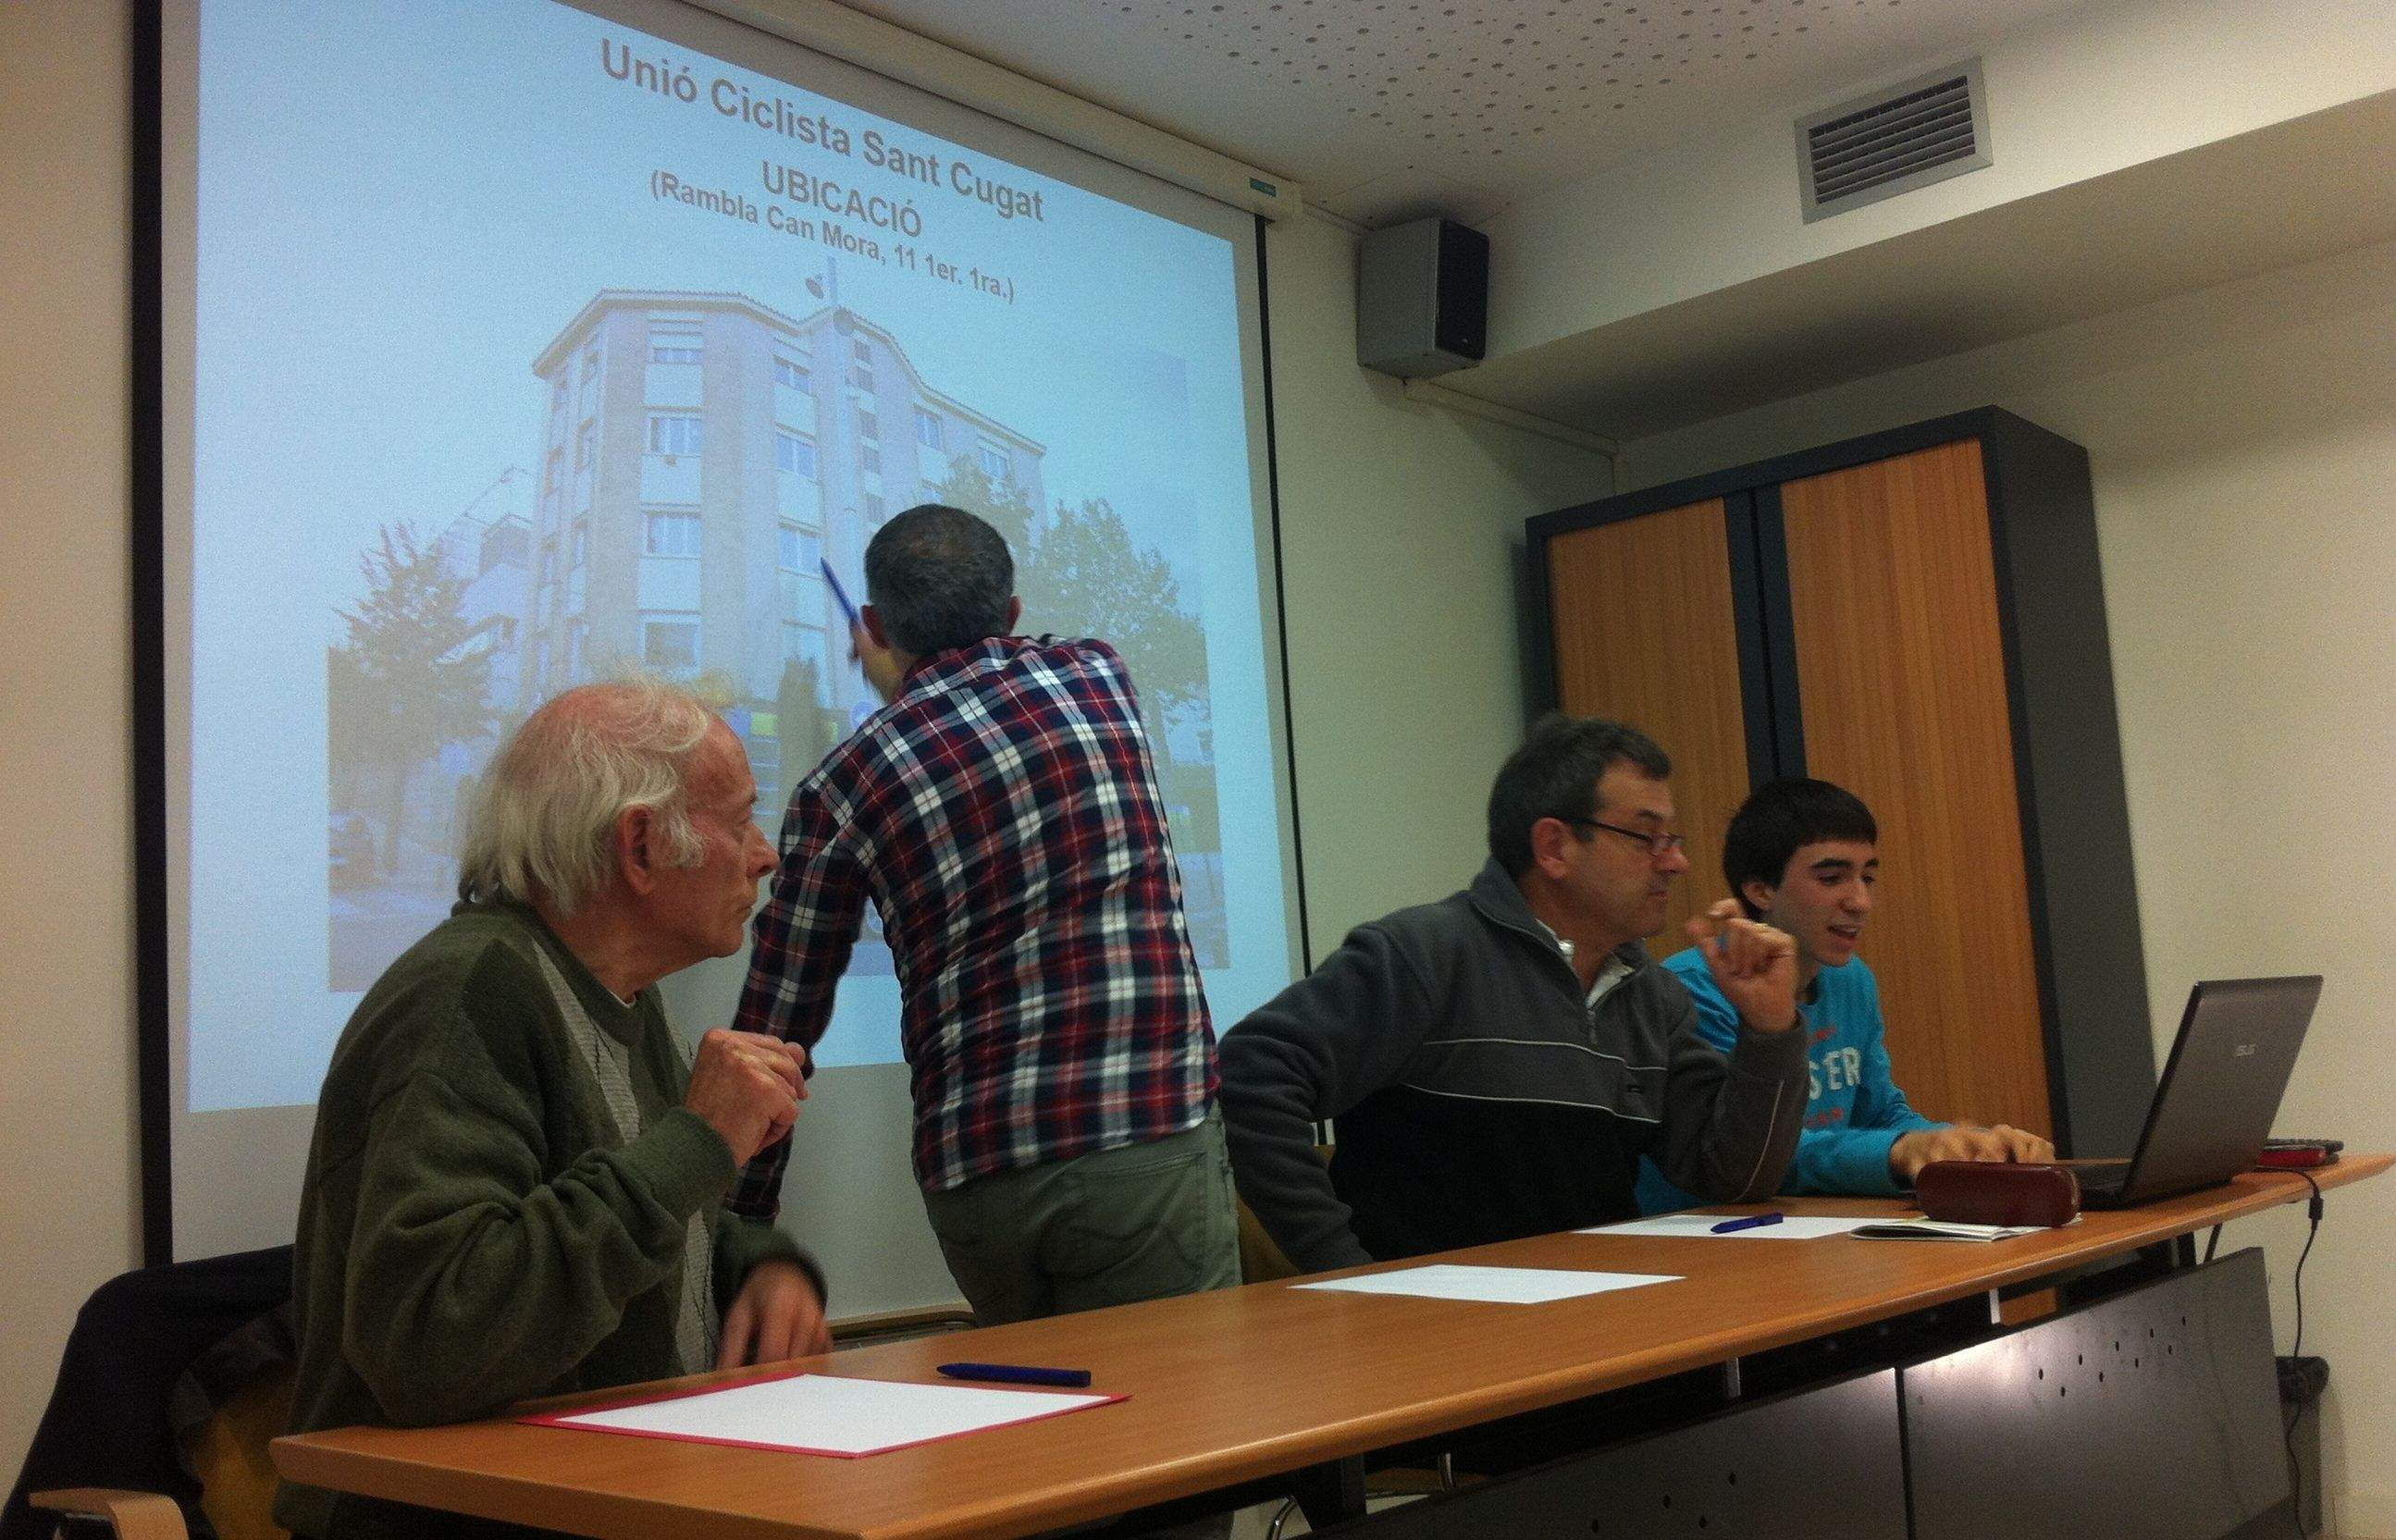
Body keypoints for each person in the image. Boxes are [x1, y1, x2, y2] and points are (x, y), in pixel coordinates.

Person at [278, 681, 830, 1540]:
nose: (765, 856)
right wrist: (696, 1142)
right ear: (641, 847)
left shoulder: (625, 996)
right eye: (742, 820)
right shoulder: (469, 990)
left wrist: (762, 1267)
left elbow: (632, 1228)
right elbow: (433, 1333)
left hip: (625, 1495)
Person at [733, 504, 1235, 1326]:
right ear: (1010, 614)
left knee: (1039, 1440)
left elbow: (775, 1018)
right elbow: (985, 693)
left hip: (981, 1184)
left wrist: (744, 1221)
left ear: (871, 625)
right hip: (1142, 1141)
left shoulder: (841, 784)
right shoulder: (1097, 676)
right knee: (1183, 1432)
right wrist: (905, 673)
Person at [1218, 714, 1810, 1275]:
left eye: (1674, 839)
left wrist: (1769, 1029)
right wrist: (1342, 1271)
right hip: (1428, 1334)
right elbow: (1254, 1073)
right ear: (1554, 847)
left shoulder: (1653, 997)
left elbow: (1734, 1179)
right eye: (1647, 837)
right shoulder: (1424, 954)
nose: (1677, 863)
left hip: (1598, 1320)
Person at [1636, 777, 2053, 1213]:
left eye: (1868, 877)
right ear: (1760, 889)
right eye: (1833, 878)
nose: (1860, 902)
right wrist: (1900, 1151)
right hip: (1700, 1233)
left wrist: (1967, 1146)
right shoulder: (1692, 986)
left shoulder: (1853, 979)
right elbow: (1751, 1155)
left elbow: (1881, 1115)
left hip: (1806, 1225)